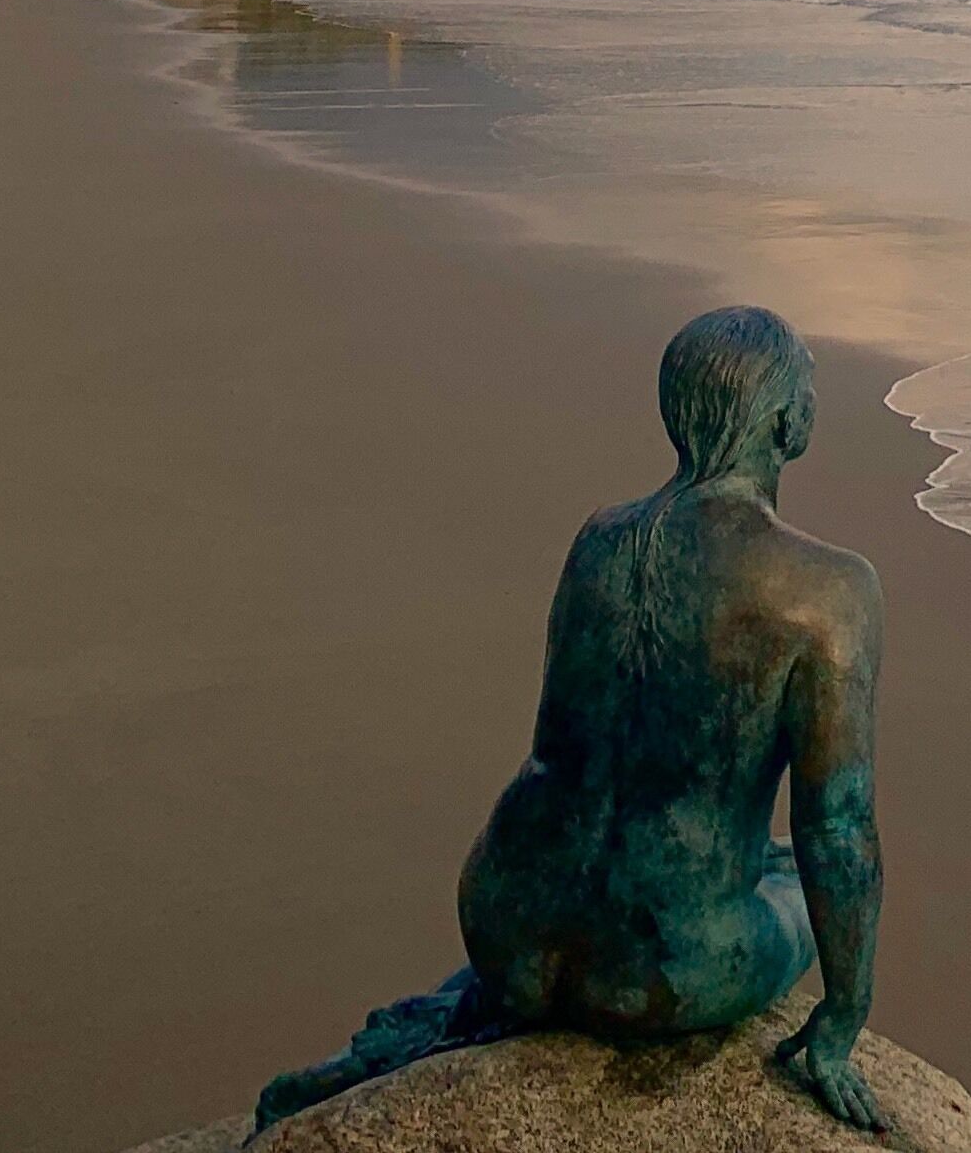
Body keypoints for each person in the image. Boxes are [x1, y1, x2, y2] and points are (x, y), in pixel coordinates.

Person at [254, 307, 887, 1133]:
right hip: (668, 966)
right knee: (798, 877)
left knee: (683, 833)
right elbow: (837, 828)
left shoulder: (600, 540)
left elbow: (575, 747)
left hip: (507, 919)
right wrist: (843, 1016)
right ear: (783, 420)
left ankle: (458, 1017)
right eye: (808, 386)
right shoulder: (829, 592)